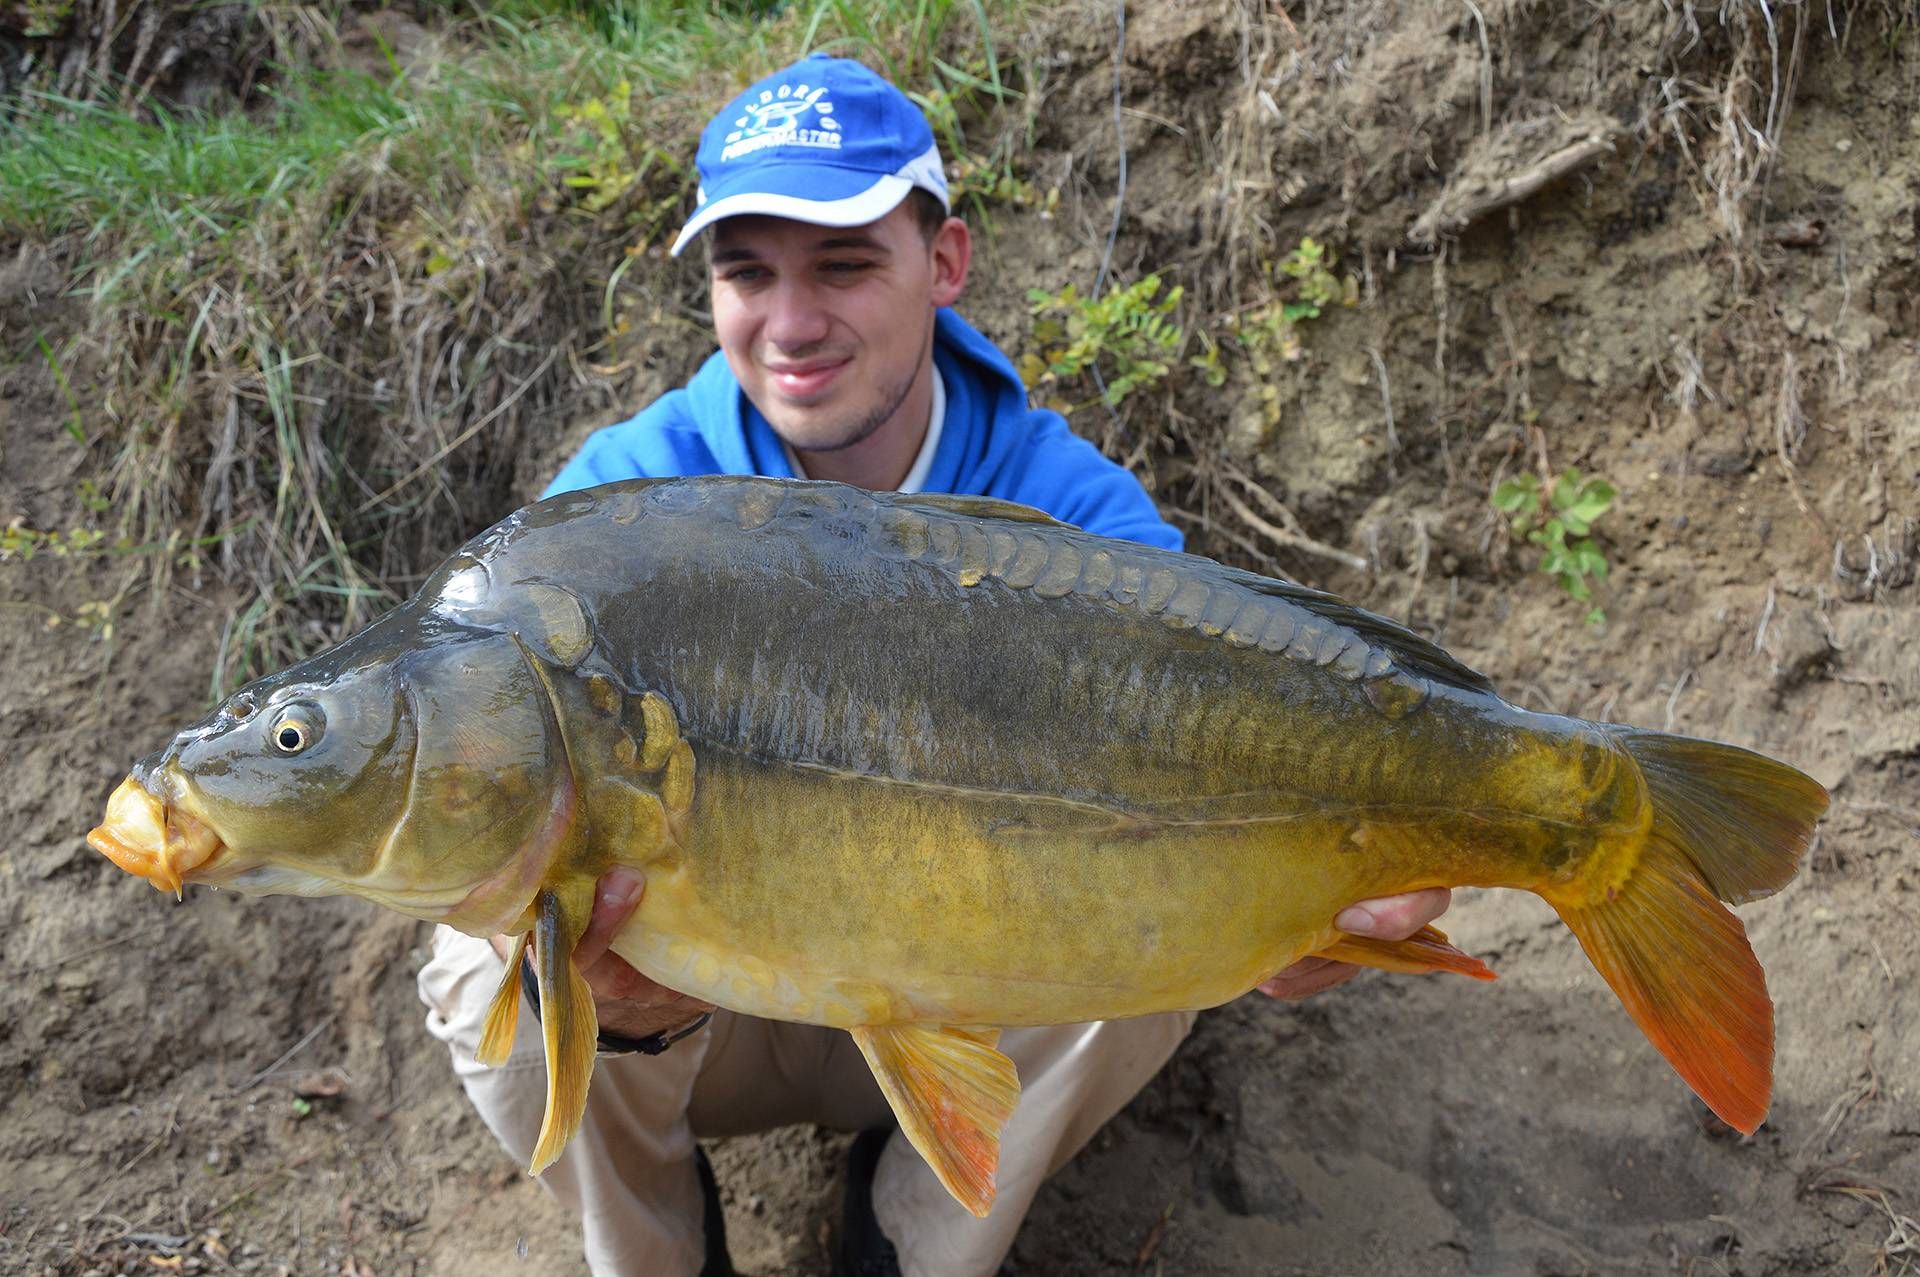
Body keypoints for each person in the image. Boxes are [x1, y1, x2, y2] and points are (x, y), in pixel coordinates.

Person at [416, 54, 1451, 1277]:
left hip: (980, 988)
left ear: (945, 263)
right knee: (485, 968)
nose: (790, 323)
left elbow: (1247, 760)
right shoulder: (617, 514)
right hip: (712, 1004)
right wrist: (625, 1004)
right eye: (747, 273)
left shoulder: (1073, 515)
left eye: (844, 265)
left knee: (1162, 952)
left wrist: (1328, 905)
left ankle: (903, 1239)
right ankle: (661, 1250)